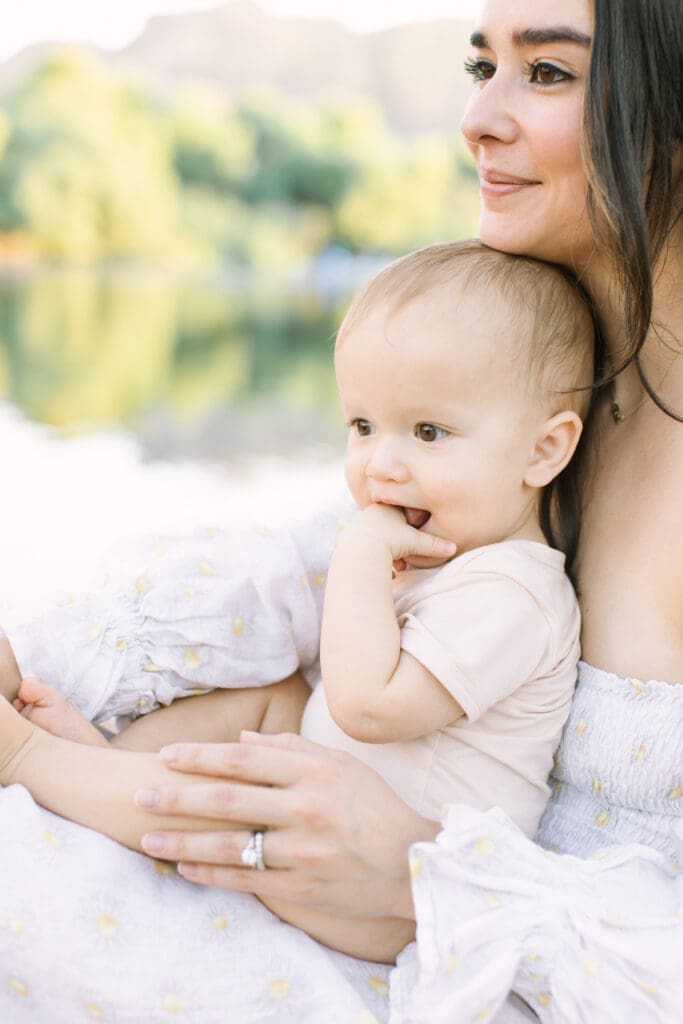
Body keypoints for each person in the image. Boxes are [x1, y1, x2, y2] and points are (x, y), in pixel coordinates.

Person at [0, 0, 680, 1020]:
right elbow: (284, 579)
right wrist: (47, 662)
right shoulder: (510, 370)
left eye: (545, 74)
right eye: (478, 63)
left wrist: (427, 876)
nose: (476, 117)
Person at [0, 239, 595, 963]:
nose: (381, 463)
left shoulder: (515, 592)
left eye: (429, 432)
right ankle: (102, 767)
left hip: (384, 891)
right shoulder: (455, 558)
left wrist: (357, 560)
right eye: (362, 427)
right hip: (330, 800)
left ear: (543, 451)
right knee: (271, 698)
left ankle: (29, 757)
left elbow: (368, 706)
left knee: (255, 780)